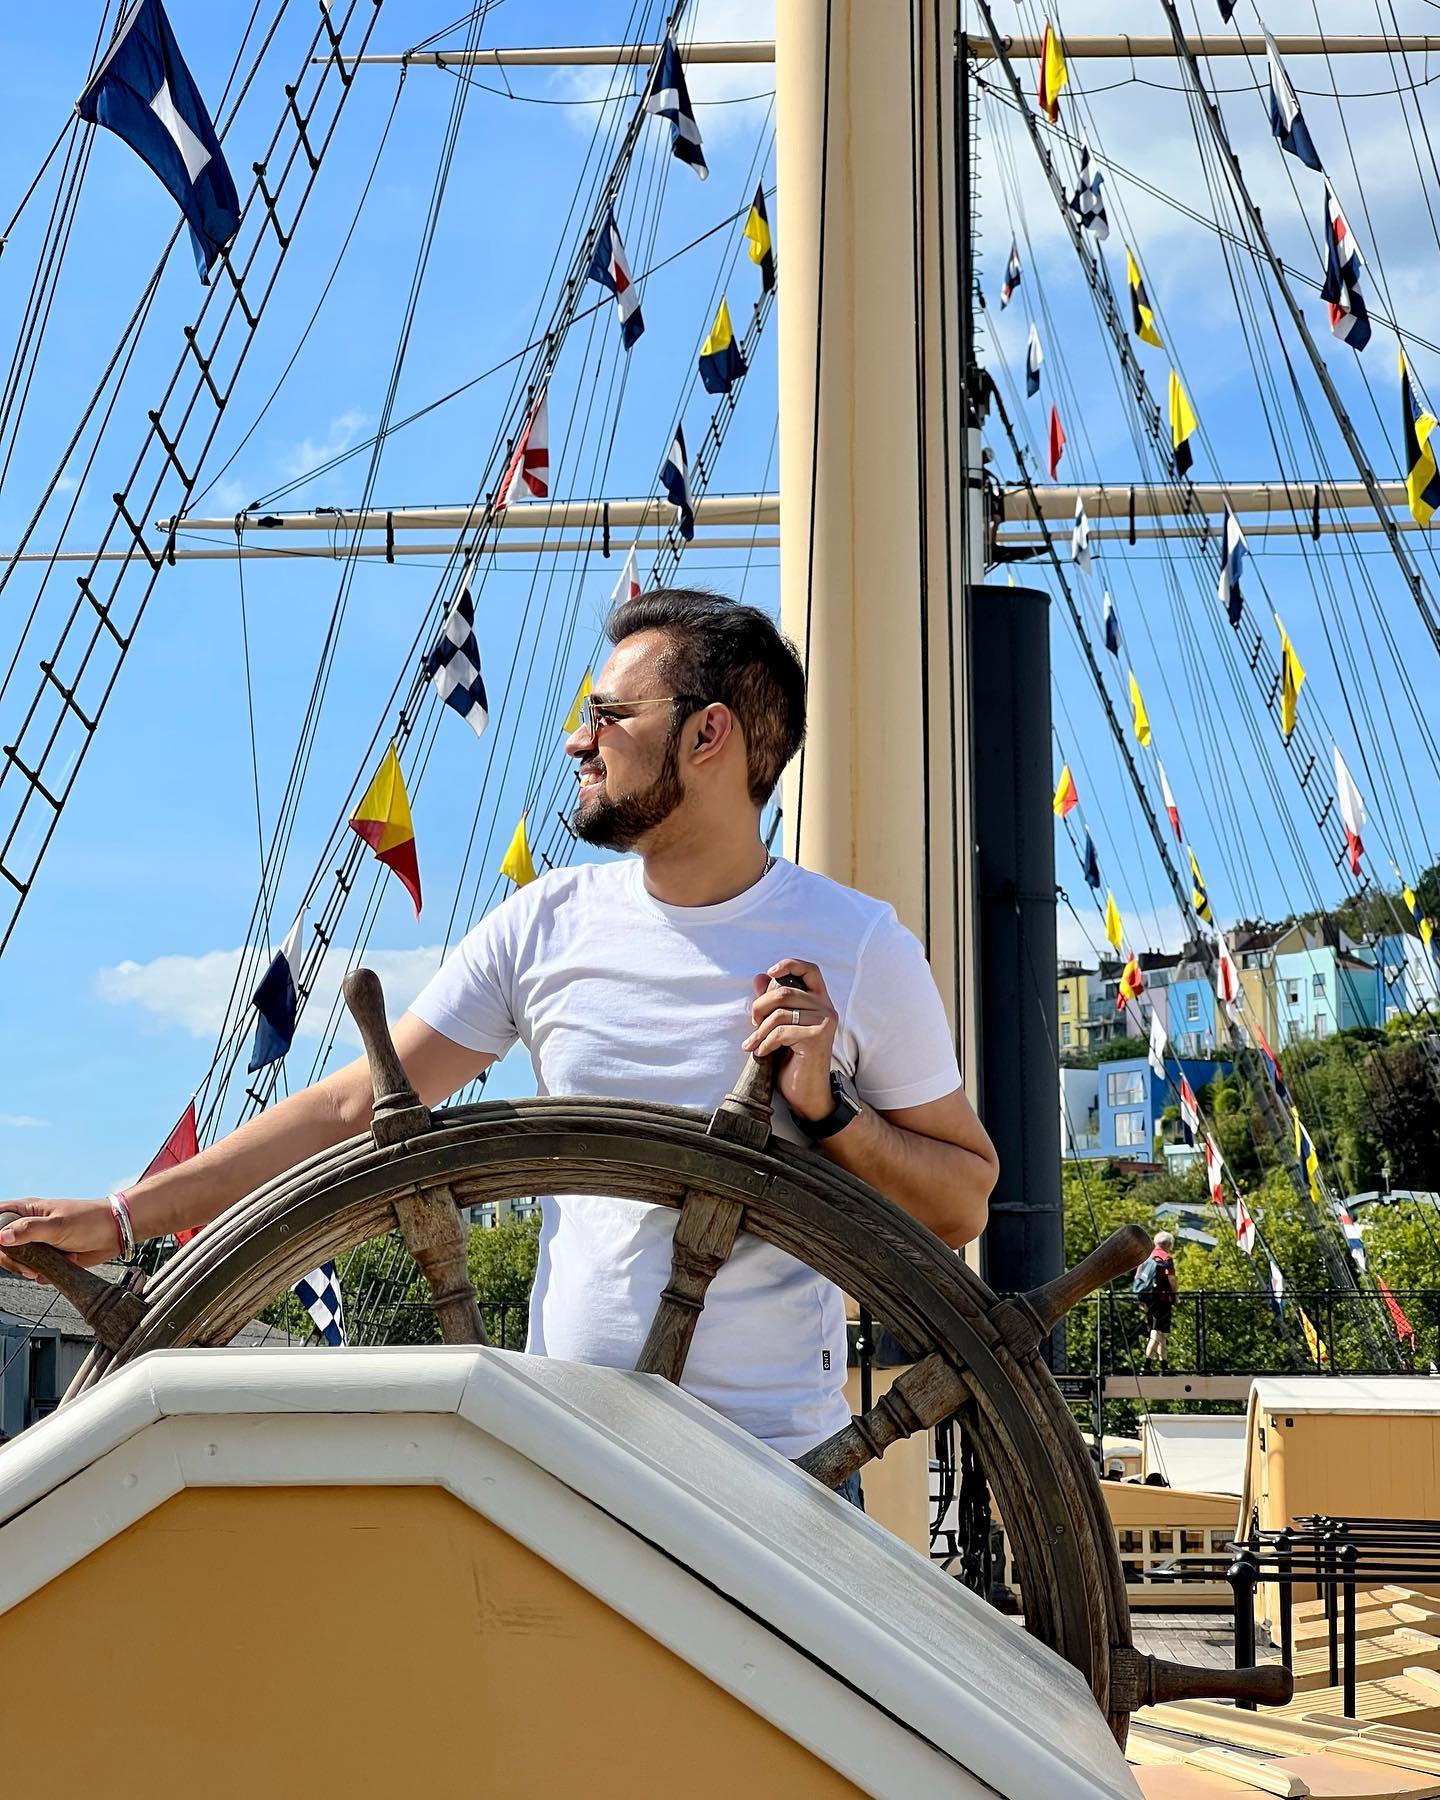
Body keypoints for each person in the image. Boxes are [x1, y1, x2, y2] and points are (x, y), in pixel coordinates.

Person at [0, 588, 998, 1484]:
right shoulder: (546, 923)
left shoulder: (858, 946)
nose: (578, 741)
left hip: (783, 1476)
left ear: (710, 736)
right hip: (570, 1463)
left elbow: (961, 1201)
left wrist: (831, 1113)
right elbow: (357, 1105)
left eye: (609, 715)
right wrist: (126, 1217)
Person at [1135, 1229, 1177, 1366]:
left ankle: (1163, 1363)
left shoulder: (1146, 1258)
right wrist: (1174, 1295)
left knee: (1161, 1331)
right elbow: (1171, 1279)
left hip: (1147, 1299)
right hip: (1163, 1299)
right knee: (1158, 1331)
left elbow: (1137, 1278)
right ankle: (1147, 1362)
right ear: (1168, 1244)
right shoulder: (1166, 1258)